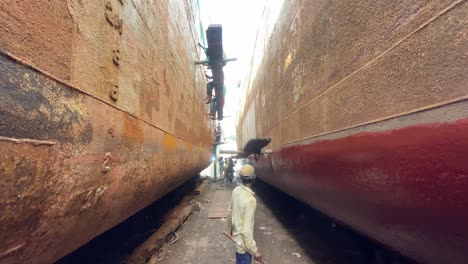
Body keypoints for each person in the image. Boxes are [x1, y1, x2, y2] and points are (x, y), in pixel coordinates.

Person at [226, 164, 263, 264]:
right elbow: (246, 230)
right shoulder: (251, 200)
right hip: (244, 246)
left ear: (240, 177)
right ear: (254, 177)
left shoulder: (236, 190)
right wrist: (255, 250)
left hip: (236, 239)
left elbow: (229, 212)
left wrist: (232, 230)